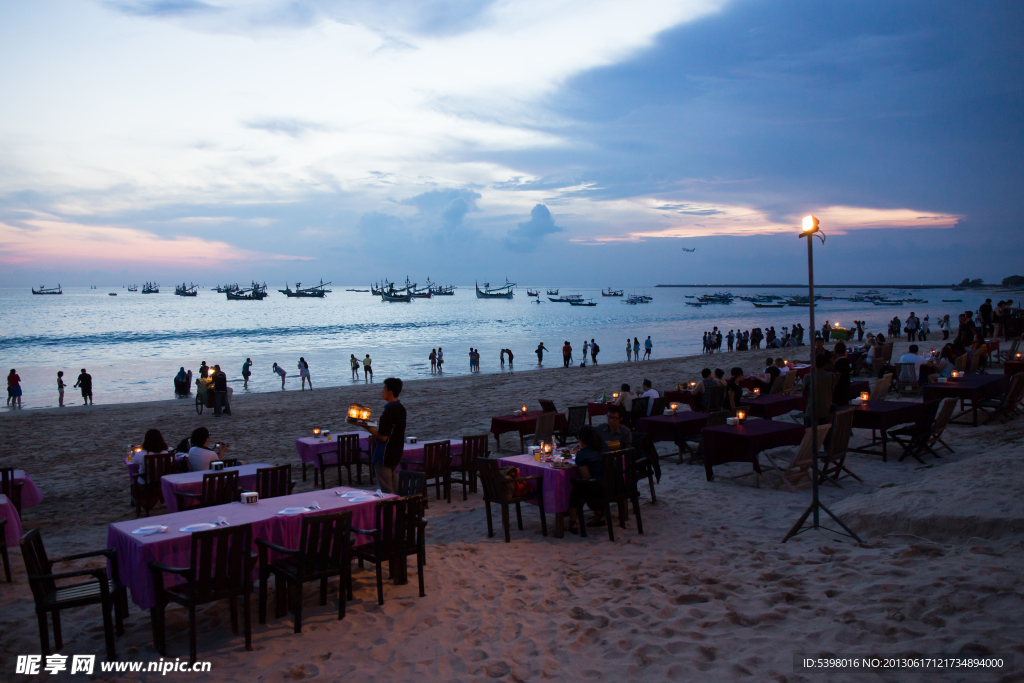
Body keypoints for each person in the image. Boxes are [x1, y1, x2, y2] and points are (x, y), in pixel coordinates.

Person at [364, 377, 406, 493]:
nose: (382, 391)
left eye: (384, 388)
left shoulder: (388, 412)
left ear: (390, 392)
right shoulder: (401, 409)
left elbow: (383, 436)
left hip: (385, 455)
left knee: (388, 491)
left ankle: (393, 511)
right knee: (395, 489)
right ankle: (398, 510)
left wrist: (366, 427)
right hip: (396, 453)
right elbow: (397, 431)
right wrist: (375, 437)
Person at [566, 425, 607, 534]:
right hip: (613, 486)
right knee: (594, 483)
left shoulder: (582, 454)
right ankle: (599, 516)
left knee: (576, 487)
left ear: (581, 440)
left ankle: (572, 522)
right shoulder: (604, 446)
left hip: (598, 492)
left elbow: (587, 478)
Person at [802, 354, 834, 426]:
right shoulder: (830, 376)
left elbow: (804, 391)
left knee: (810, 434)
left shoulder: (809, 376)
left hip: (812, 411)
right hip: (826, 410)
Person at [832, 342, 852, 406]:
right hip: (846, 386)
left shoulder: (839, 363)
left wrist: (833, 387)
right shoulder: (845, 361)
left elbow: (837, 377)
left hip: (840, 388)